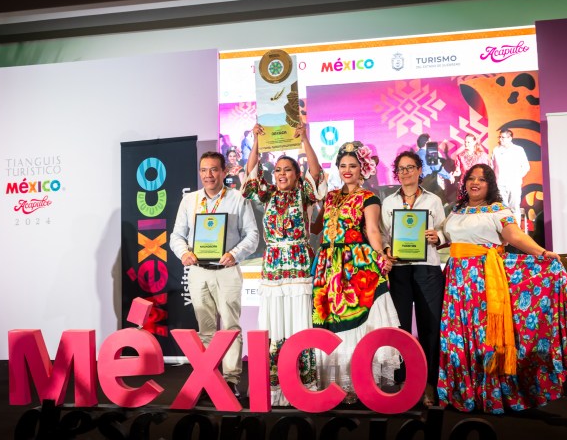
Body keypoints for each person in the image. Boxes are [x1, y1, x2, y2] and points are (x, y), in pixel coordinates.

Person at [437, 164, 567, 414]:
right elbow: (447, 234)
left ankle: (491, 395)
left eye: (481, 180)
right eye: (471, 178)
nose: (475, 183)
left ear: (490, 185)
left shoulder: (499, 210)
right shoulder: (456, 210)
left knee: (484, 336)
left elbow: (516, 236)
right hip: (456, 283)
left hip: (484, 281)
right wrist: (437, 237)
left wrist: (542, 253)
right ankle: (466, 392)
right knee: (460, 337)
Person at [242, 122, 326, 406]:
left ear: (296, 174)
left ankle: (303, 384)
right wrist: (256, 141)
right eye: (277, 170)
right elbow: (251, 175)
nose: (281, 174)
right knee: (273, 324)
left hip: (299, 267)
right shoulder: (268, 195)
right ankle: (276, 387)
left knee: (299, 323)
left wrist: (305, 139)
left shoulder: (304, 194)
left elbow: (316, 173)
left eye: (287, 169)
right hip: (273, 268)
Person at [311, 141, 400, 404]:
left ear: (363, 169)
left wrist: (381, 254)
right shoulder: (330, 197)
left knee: (357, 319)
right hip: (328, 266)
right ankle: (338, 384)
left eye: (352, 165)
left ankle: (359, 382)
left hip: (354, 263)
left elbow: (372, 230)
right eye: (343, 166)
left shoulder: (368, 197)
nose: (347, 170)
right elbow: (317, 227)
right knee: (331, 321)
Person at [169, 151, 259, 399]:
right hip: (198, 272)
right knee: (205, 329)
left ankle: (230, 380)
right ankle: (209, 378)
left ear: (224, 171)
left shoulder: (238, 199)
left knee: (230, 327)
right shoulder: (190, 200)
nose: (208, 175)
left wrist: (235, 254)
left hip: (227, 270)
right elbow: (176, 235)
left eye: (214, 169)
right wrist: (183, 252)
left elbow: (252, 235)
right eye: (204, 170)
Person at [380, 151, 446, 406]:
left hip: (427, 268)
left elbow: (444, 231)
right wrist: (387, 249)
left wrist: (438, 237)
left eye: (410, 167)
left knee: (430, 328)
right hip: (400, 269)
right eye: (401, 168)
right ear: (396, 174)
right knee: (402, 328)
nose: (406, 172)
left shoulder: (433, 200)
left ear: (420, 170)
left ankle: (429, 384)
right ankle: (405, 383)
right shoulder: (388, 202)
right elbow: (383, 235)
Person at [491, 128, 529, 225]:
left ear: (510, 138)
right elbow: (492, 166)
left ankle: (516, 230)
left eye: (503, 137)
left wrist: (517, 177)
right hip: (500, 184)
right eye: (500, 137)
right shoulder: (496, 150)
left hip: (514, 184)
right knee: (502, 208)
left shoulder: (518, 150)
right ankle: (505, 231)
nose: (500, 139)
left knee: (514, 208)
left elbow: (526, 167)